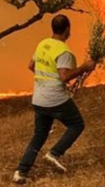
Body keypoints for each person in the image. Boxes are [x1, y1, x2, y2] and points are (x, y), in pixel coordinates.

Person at [13, 15, 96, 184]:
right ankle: (54, 154)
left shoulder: (43, 44)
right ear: (67, 29)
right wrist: (85, 67)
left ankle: (21, 172)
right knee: (77, 124)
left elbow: (31, 66)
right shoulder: (64, 51)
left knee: (39, 136)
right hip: (55, 98)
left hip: (39, 97)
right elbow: (64, 76)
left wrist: (45, 78)